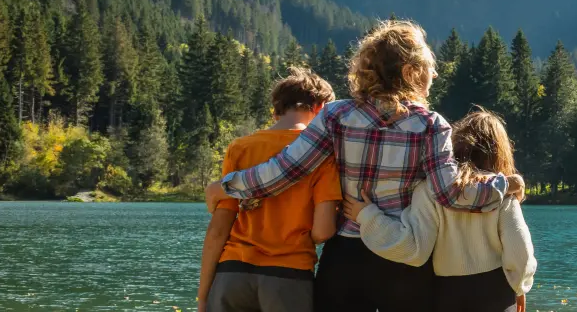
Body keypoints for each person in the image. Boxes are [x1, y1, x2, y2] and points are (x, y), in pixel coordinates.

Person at [205, 20, 518, 311]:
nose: (433, 75)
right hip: (402, 259)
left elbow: (285, 170)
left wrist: (228, 186)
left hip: (345, 260)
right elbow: (450, 194)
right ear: (410, 72)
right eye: (428, 68)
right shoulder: (431, 125)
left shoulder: (336, 115)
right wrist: (501, 186)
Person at [348, 110, 536, 312]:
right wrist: (520, 287)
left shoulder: (429, 190)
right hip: (496, 291)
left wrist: (367, 215)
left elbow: (414, 248)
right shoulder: (502, 190)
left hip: (446, 292)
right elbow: (519, 251)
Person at [197, 68, 340, 312]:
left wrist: (203, 296)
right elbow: (323, 230)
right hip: (288, 277)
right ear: (319, 108)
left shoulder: (240, 148)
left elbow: (218, 231)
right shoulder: (323, 154)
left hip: (232, 274)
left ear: (277, 109)